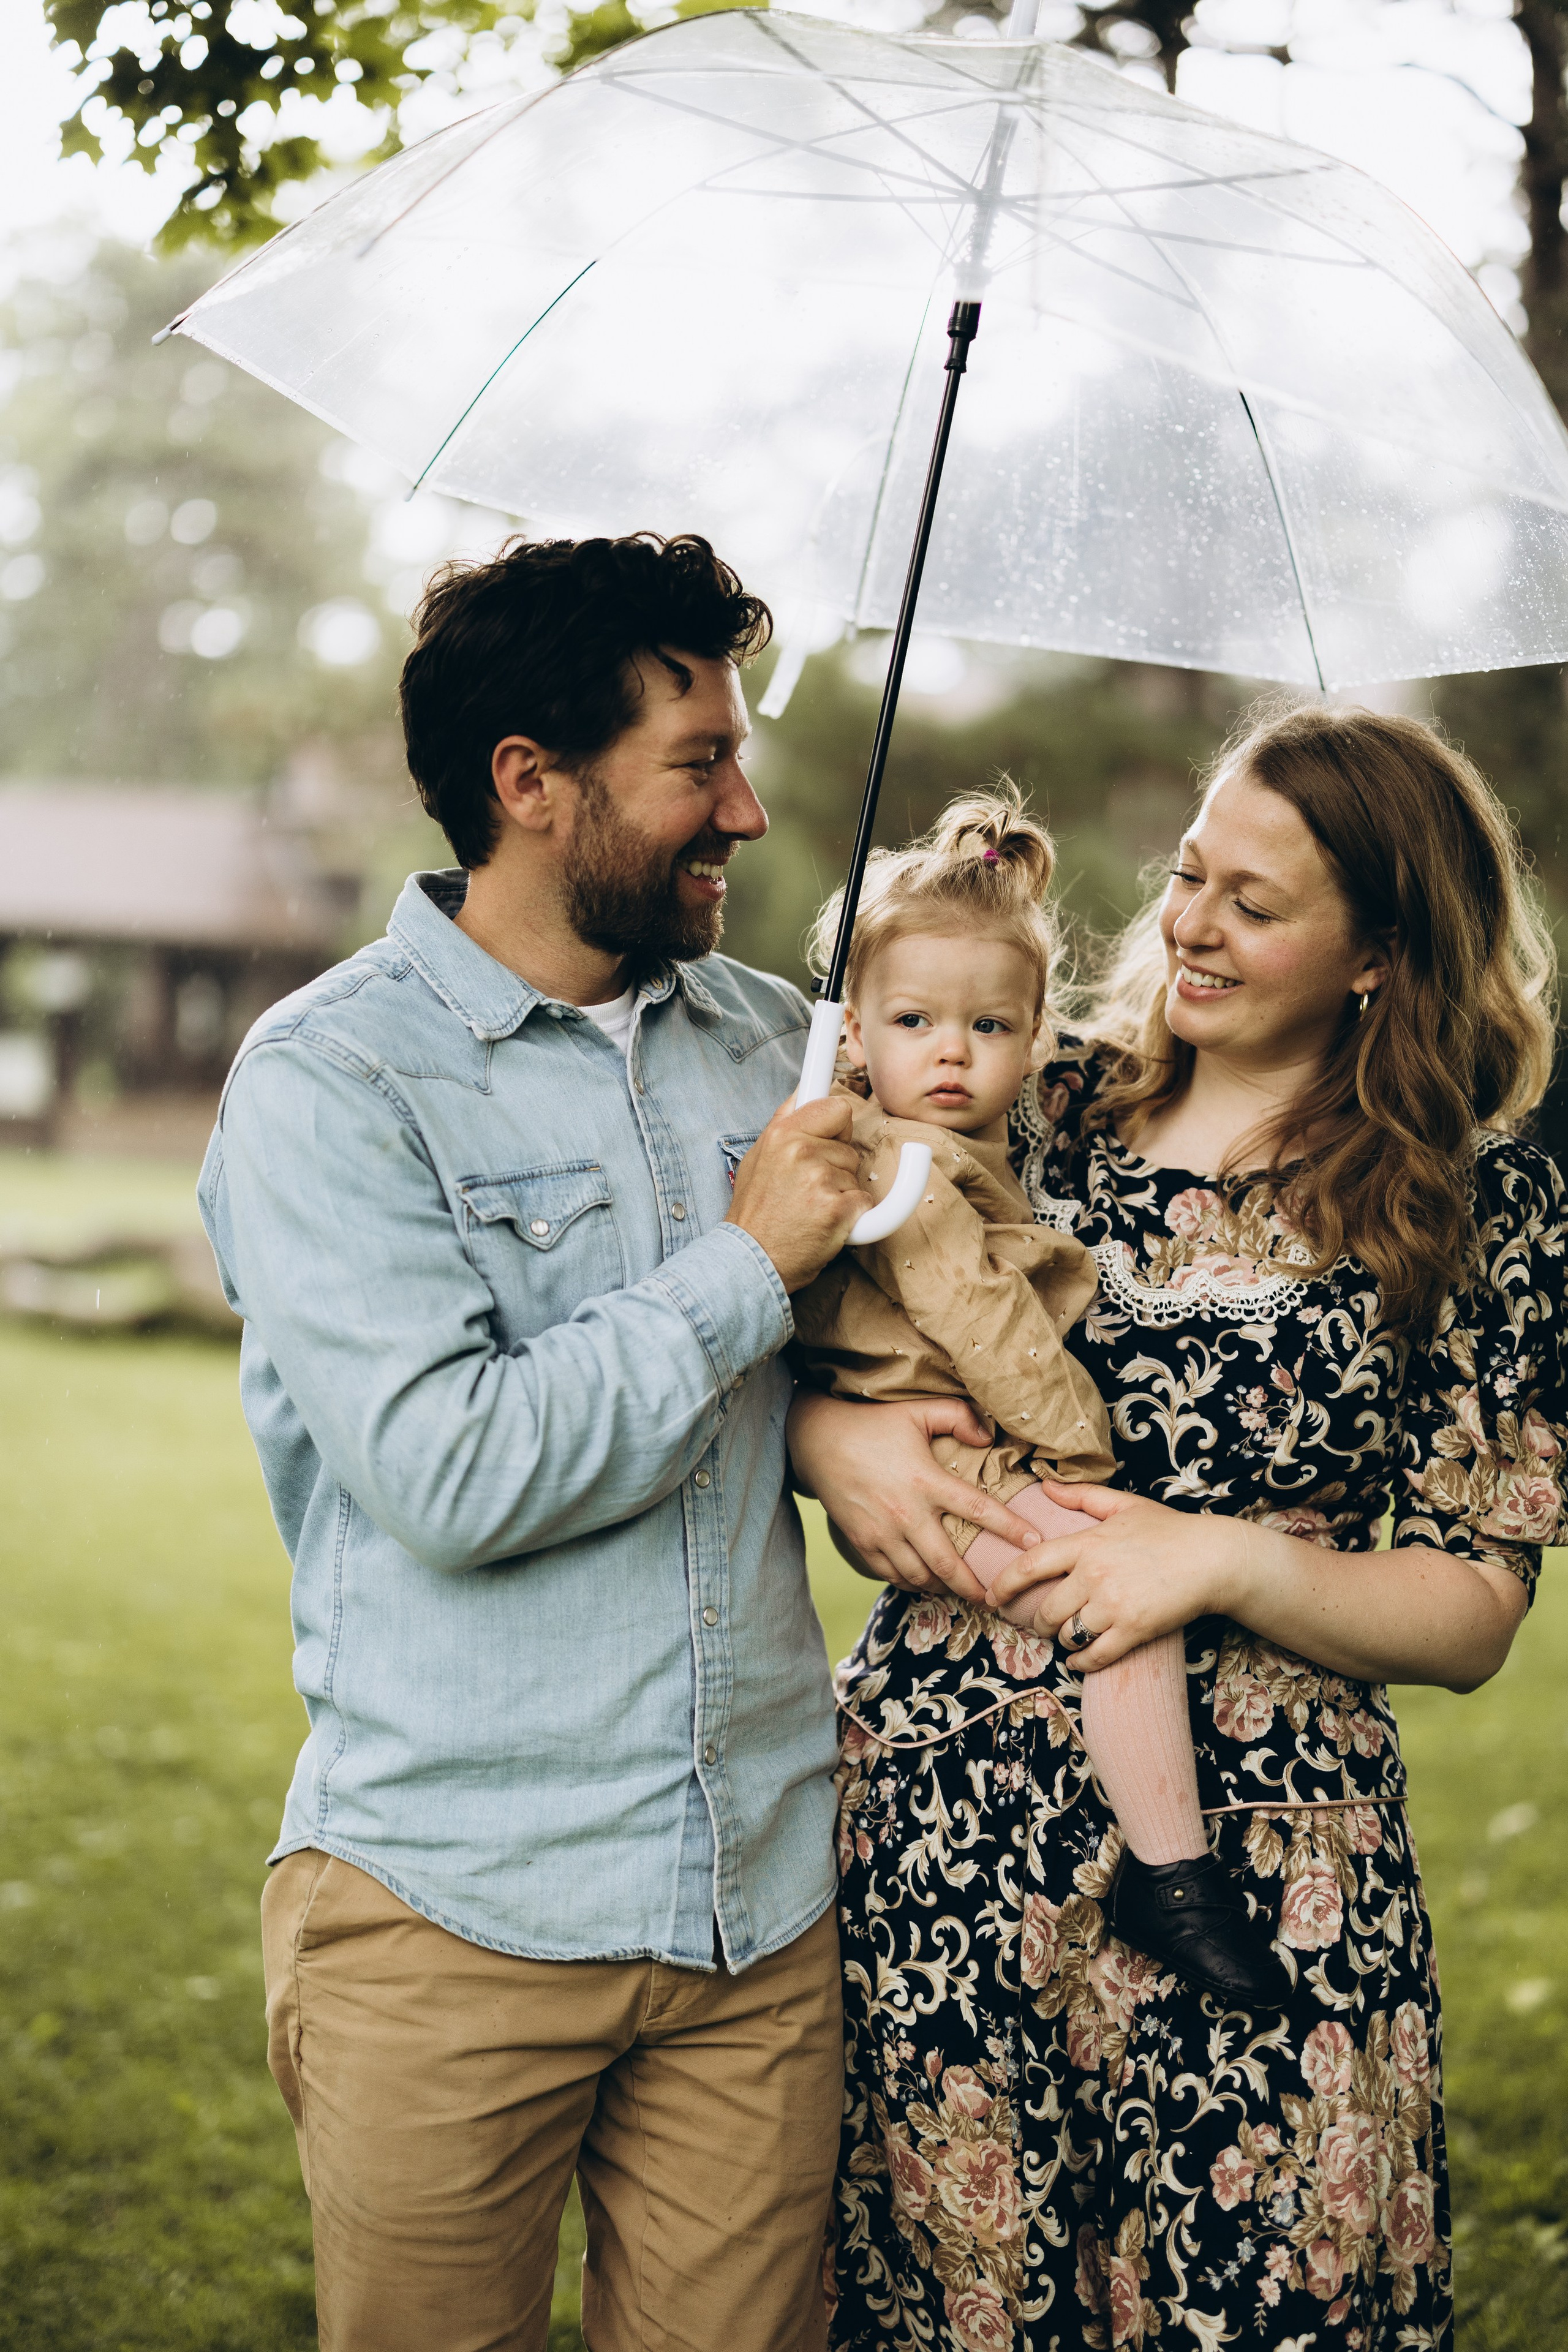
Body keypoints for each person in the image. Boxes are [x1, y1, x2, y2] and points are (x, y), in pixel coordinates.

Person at [198, 531, 924, 2352]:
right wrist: (746, 1263)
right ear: (530, 783)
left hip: (757, 1919)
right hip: (451, 1917)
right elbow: (451, 1471)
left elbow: (889, 1347)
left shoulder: (780, 1052)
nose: (747, 812)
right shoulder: (331, 1082)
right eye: (699, 763)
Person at [790, 704, 1567, 2350]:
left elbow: (1476, 1605)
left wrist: (1222, 1559)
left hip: (1268, 1869)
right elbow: (821, 1294)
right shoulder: (1037, 1098)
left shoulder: (1473, 1200)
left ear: (1379, 954)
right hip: (950, 1838)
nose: (1192, 923)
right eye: (1190, 873)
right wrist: (825, 1438)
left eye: (1254, 903)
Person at [790, 785, 1286, 2003]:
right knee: (1119, 1593)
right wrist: (1079, 1455)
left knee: (1110, 1596)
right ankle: (1170, 1871)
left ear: (1035, 1037)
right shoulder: (904, 1162)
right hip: (966, 1451)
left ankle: (1164, 1867)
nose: (952, 1052)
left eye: (991, 1026)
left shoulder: (959, 1141)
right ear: (853, 1032)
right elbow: (987, 1324)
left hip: (960, 1446)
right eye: (913, 1021)